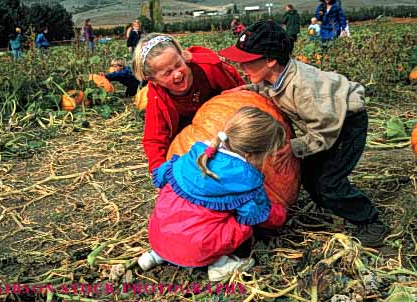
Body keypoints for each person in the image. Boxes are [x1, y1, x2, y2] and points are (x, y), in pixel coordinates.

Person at [218, 20, 388, 247]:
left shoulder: (304, 89)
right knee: (308, 173)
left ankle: (370, 221)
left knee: (329, 182)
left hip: (346, 124)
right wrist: (245, 90)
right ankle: (328, 203)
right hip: (325, 121)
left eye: (247, 63)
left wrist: (295, 147)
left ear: (270, 60)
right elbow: (267, 88)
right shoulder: (276, 75)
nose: (242, 68)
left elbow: (324, 132)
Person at [138, 107, 288, 281]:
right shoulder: (245, 181)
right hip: (195, 248)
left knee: (179, 210)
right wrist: (281, 213)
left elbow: (162, 177)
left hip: (158, 235)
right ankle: (221, 265)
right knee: (245, 224)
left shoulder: (194, 155)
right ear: (251, 156)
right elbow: (260, 215)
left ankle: (157, 255)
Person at [131, 33, 245, 173]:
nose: (177, 74)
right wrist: (161, 172)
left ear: (183, 56)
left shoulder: (206, 69)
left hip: (230, 129)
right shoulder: (157, 98)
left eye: (178, 65)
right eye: (167, 73)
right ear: (153, 80)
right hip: (192, 146)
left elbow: (239, 91)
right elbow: (154, 139)